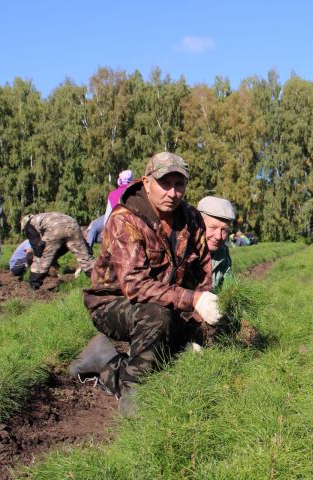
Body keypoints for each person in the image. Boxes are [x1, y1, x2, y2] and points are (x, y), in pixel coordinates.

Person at [72, 152, 221, 415]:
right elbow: (136, 285)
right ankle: (133, 392)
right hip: (113, 303)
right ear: (146, 182)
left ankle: (101, 356)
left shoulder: (192, 218)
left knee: (184, 348)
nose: (172, 193)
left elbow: (201, 276)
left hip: (165, 301)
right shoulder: (126, 219)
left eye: (179, 185)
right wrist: (193, 300)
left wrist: (197, 324)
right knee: (157, 316)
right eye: (165, 183)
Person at [20, 212, 94, 290]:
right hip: (73, 223)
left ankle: (34, 286)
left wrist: (40, 253)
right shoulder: (45, 216)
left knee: (42, 258)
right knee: (85, 259)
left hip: (55, 228)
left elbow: (38, 248)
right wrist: (86, 249)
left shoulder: (28, 225)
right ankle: (101, 280)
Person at [197, 196, 235, 291]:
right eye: (213, 228)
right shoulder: (184, 251)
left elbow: (228, 287)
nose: (218, 236)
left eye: (224, 230)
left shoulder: (223, 251)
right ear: (198, 225)